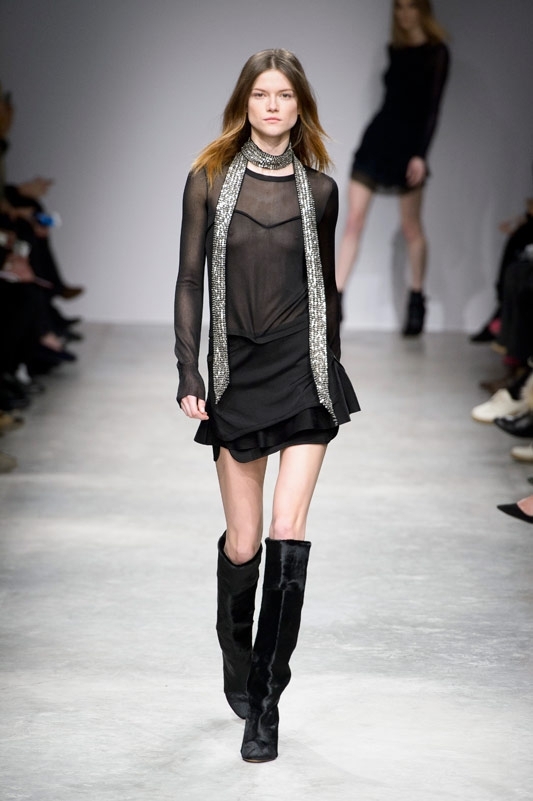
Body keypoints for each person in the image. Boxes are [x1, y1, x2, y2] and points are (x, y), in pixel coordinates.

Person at [173, 49, 359, 763]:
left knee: (287, 530)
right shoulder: (209, 179)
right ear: (244, 103)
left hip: (302, 371)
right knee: (244, 541)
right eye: (261, 95)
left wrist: (331, 365)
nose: (272, 106)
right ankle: (236, 653)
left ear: (298, 105)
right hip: (237, 375)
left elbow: (327, 287)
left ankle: (268, 700)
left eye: (283, 95)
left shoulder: (321, 191)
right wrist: (188, 369)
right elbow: (189, 278)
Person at [336, 0, 450, 335]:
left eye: (410, 6)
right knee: (353, 221)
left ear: (422, 10)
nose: (403, 14)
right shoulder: (394, 49)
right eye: (398, 7)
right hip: (376, 141)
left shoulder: (437, 53)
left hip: (408, 149)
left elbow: (432, 108)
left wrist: (420, 154)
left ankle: (416, 299)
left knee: (411, 226)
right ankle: (335, 300)